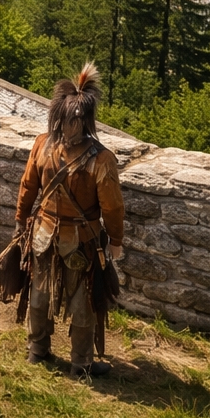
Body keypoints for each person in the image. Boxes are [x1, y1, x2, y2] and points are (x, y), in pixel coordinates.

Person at [14, 64, 125, 377]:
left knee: (61, 297)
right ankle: (70, 361)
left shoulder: (47, 146)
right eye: (67, 119)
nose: (70, 125)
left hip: (54, 236)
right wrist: (115, 240)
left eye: (73, 120)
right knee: (68, 299)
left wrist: (21, 219)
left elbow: (27, 187)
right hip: (68, 239)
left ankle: (48, 354)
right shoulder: (99, 159)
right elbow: (112, 208)